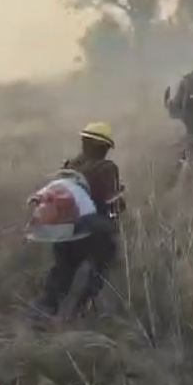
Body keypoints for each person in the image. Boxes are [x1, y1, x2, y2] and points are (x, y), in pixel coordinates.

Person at [37, 122, 123, 317]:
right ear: (105, 147)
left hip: (63, 228)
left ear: (84, 142)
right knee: (102, 266)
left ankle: (41, 316)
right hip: (92, 228)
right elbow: (112, 203)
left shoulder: (69, 166)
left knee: (61, 273)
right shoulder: (106, 168)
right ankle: (82, 311)